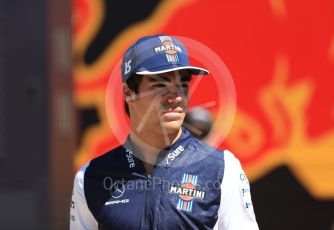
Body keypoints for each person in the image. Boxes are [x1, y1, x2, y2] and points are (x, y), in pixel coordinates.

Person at [70, 34, 259, 229]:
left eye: (182, 85)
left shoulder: (223, 168)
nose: (176, 97)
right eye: (160, 85)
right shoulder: (90, 177)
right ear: (128, 93)